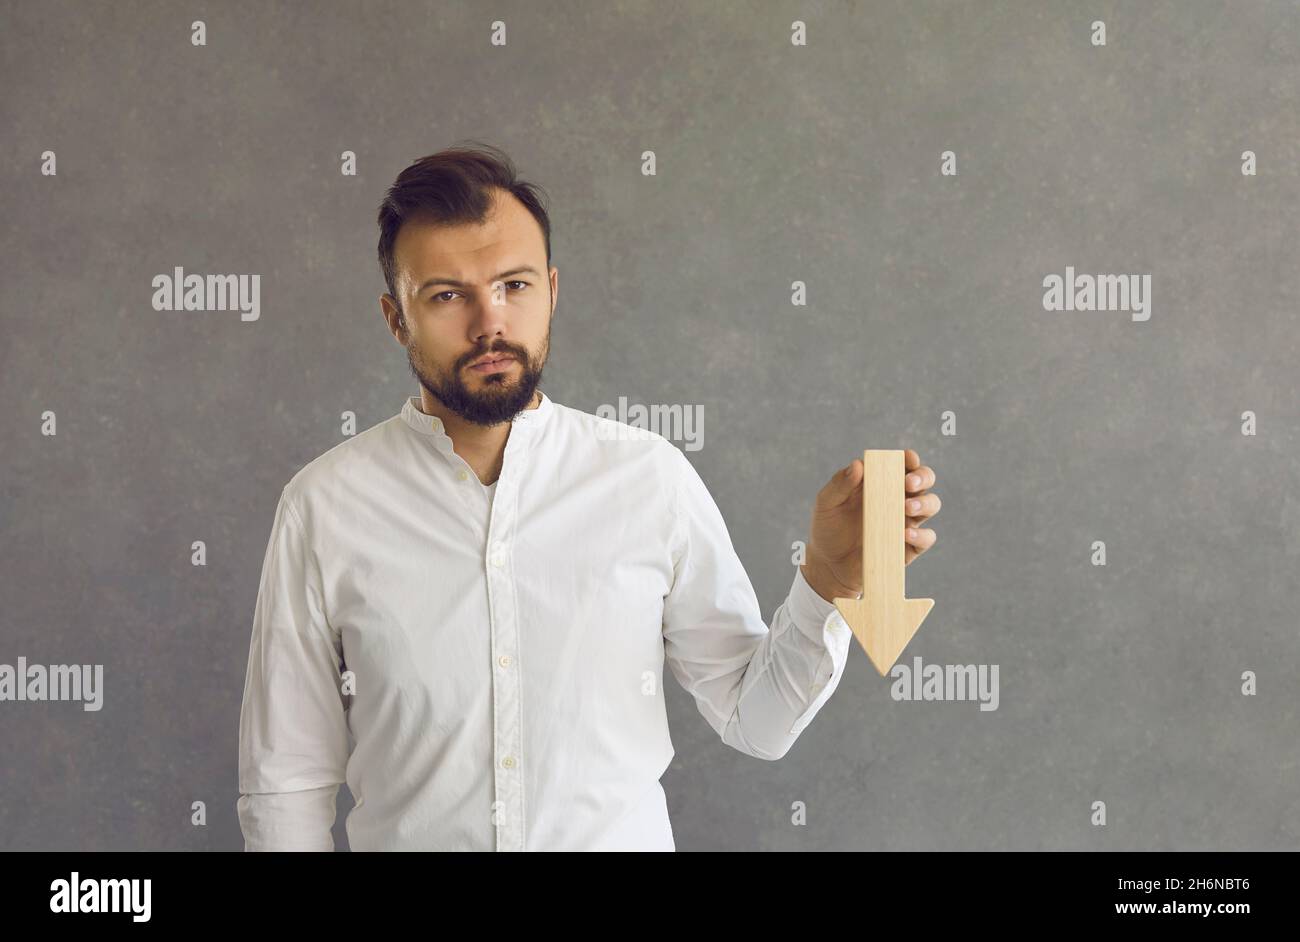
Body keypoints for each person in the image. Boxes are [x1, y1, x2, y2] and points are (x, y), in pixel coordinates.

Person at [235, 141, 940, 851]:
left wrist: (828, 582)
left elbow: (757, 723)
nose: (491, 324)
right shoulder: (324, 508)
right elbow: (284, 788)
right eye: (448, 296)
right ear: (397, 318)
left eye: (514, 286)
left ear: (552, 291)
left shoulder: (649, 481)